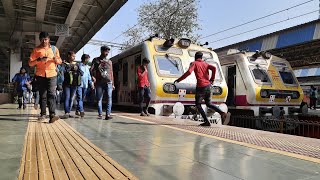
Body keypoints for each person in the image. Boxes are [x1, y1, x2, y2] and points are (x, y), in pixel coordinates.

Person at [174, 51, 231, 126]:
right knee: (209, 103)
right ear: (201, 57)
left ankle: (206, 121)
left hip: (201, 87)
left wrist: (179, 80)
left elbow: (189, 72)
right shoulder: (205, 64)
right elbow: (214, 68)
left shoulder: (194, 63)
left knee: (198, 104)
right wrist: (212, 79)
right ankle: (222, 113)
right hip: (209, 86)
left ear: (195, 57)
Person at [29, 32, 62, 123]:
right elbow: (30, 63)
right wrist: (39, 59)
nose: (44, 41)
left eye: (46, 39)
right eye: (42, 39)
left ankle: (52, 115)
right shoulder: (36, 50)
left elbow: (60, 61)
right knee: (43, 95)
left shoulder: (54, 49)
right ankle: (43, 114)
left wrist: (56, 60)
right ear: (40, 39)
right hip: (40, 75)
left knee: (51, 94)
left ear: (49, 39)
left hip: (52, 74)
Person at [90, 46, 114, 120]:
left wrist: (113, 83)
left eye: (108, 52)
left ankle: (108, 115)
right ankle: (100, 114)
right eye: (105, 51)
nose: (107, 53)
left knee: (109, 98)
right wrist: (92, 76)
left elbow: (111, 73)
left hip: (109, 82)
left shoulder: (110, 61)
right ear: (101, 51)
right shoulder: (96, 60)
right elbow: (91, 69)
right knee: (99, 98)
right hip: (99, 82)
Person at [62, 51, 83, 118]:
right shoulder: (64, 64)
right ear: (69, 56)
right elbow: (64, 71)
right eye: (73, 56)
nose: (74, 57)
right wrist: (71, 68)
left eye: (74, 56)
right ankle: (66, 112)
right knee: (67, 98)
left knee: (71, 98)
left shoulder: (77, 64)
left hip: (74, 84)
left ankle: (69, 111)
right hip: (66, 84)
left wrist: (77, 69)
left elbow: (82, 73)